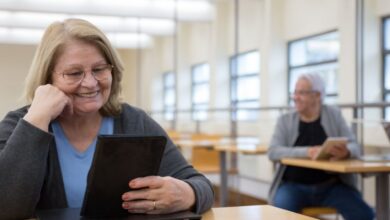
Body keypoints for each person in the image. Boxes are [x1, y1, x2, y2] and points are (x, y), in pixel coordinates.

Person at [0, 18, 214, 219]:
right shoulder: (20, 124)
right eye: (74, 73)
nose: (91, 83)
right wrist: (37, 118)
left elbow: (201, 185)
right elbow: (6, 208)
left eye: (99, 69)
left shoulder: (134, 121)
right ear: (47, 79)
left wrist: (187, 193)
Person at [267, 73, 374, 220]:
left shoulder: (334, 115)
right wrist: (308, 152)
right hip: (293, 187)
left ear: (317, 95)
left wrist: (347, 152)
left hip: (332, 187)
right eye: (295, 92)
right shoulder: (285, 120)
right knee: (279, 215)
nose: (295, 97)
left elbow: (355, 146)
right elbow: (273, 151)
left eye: (301, 93)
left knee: (365, 215)